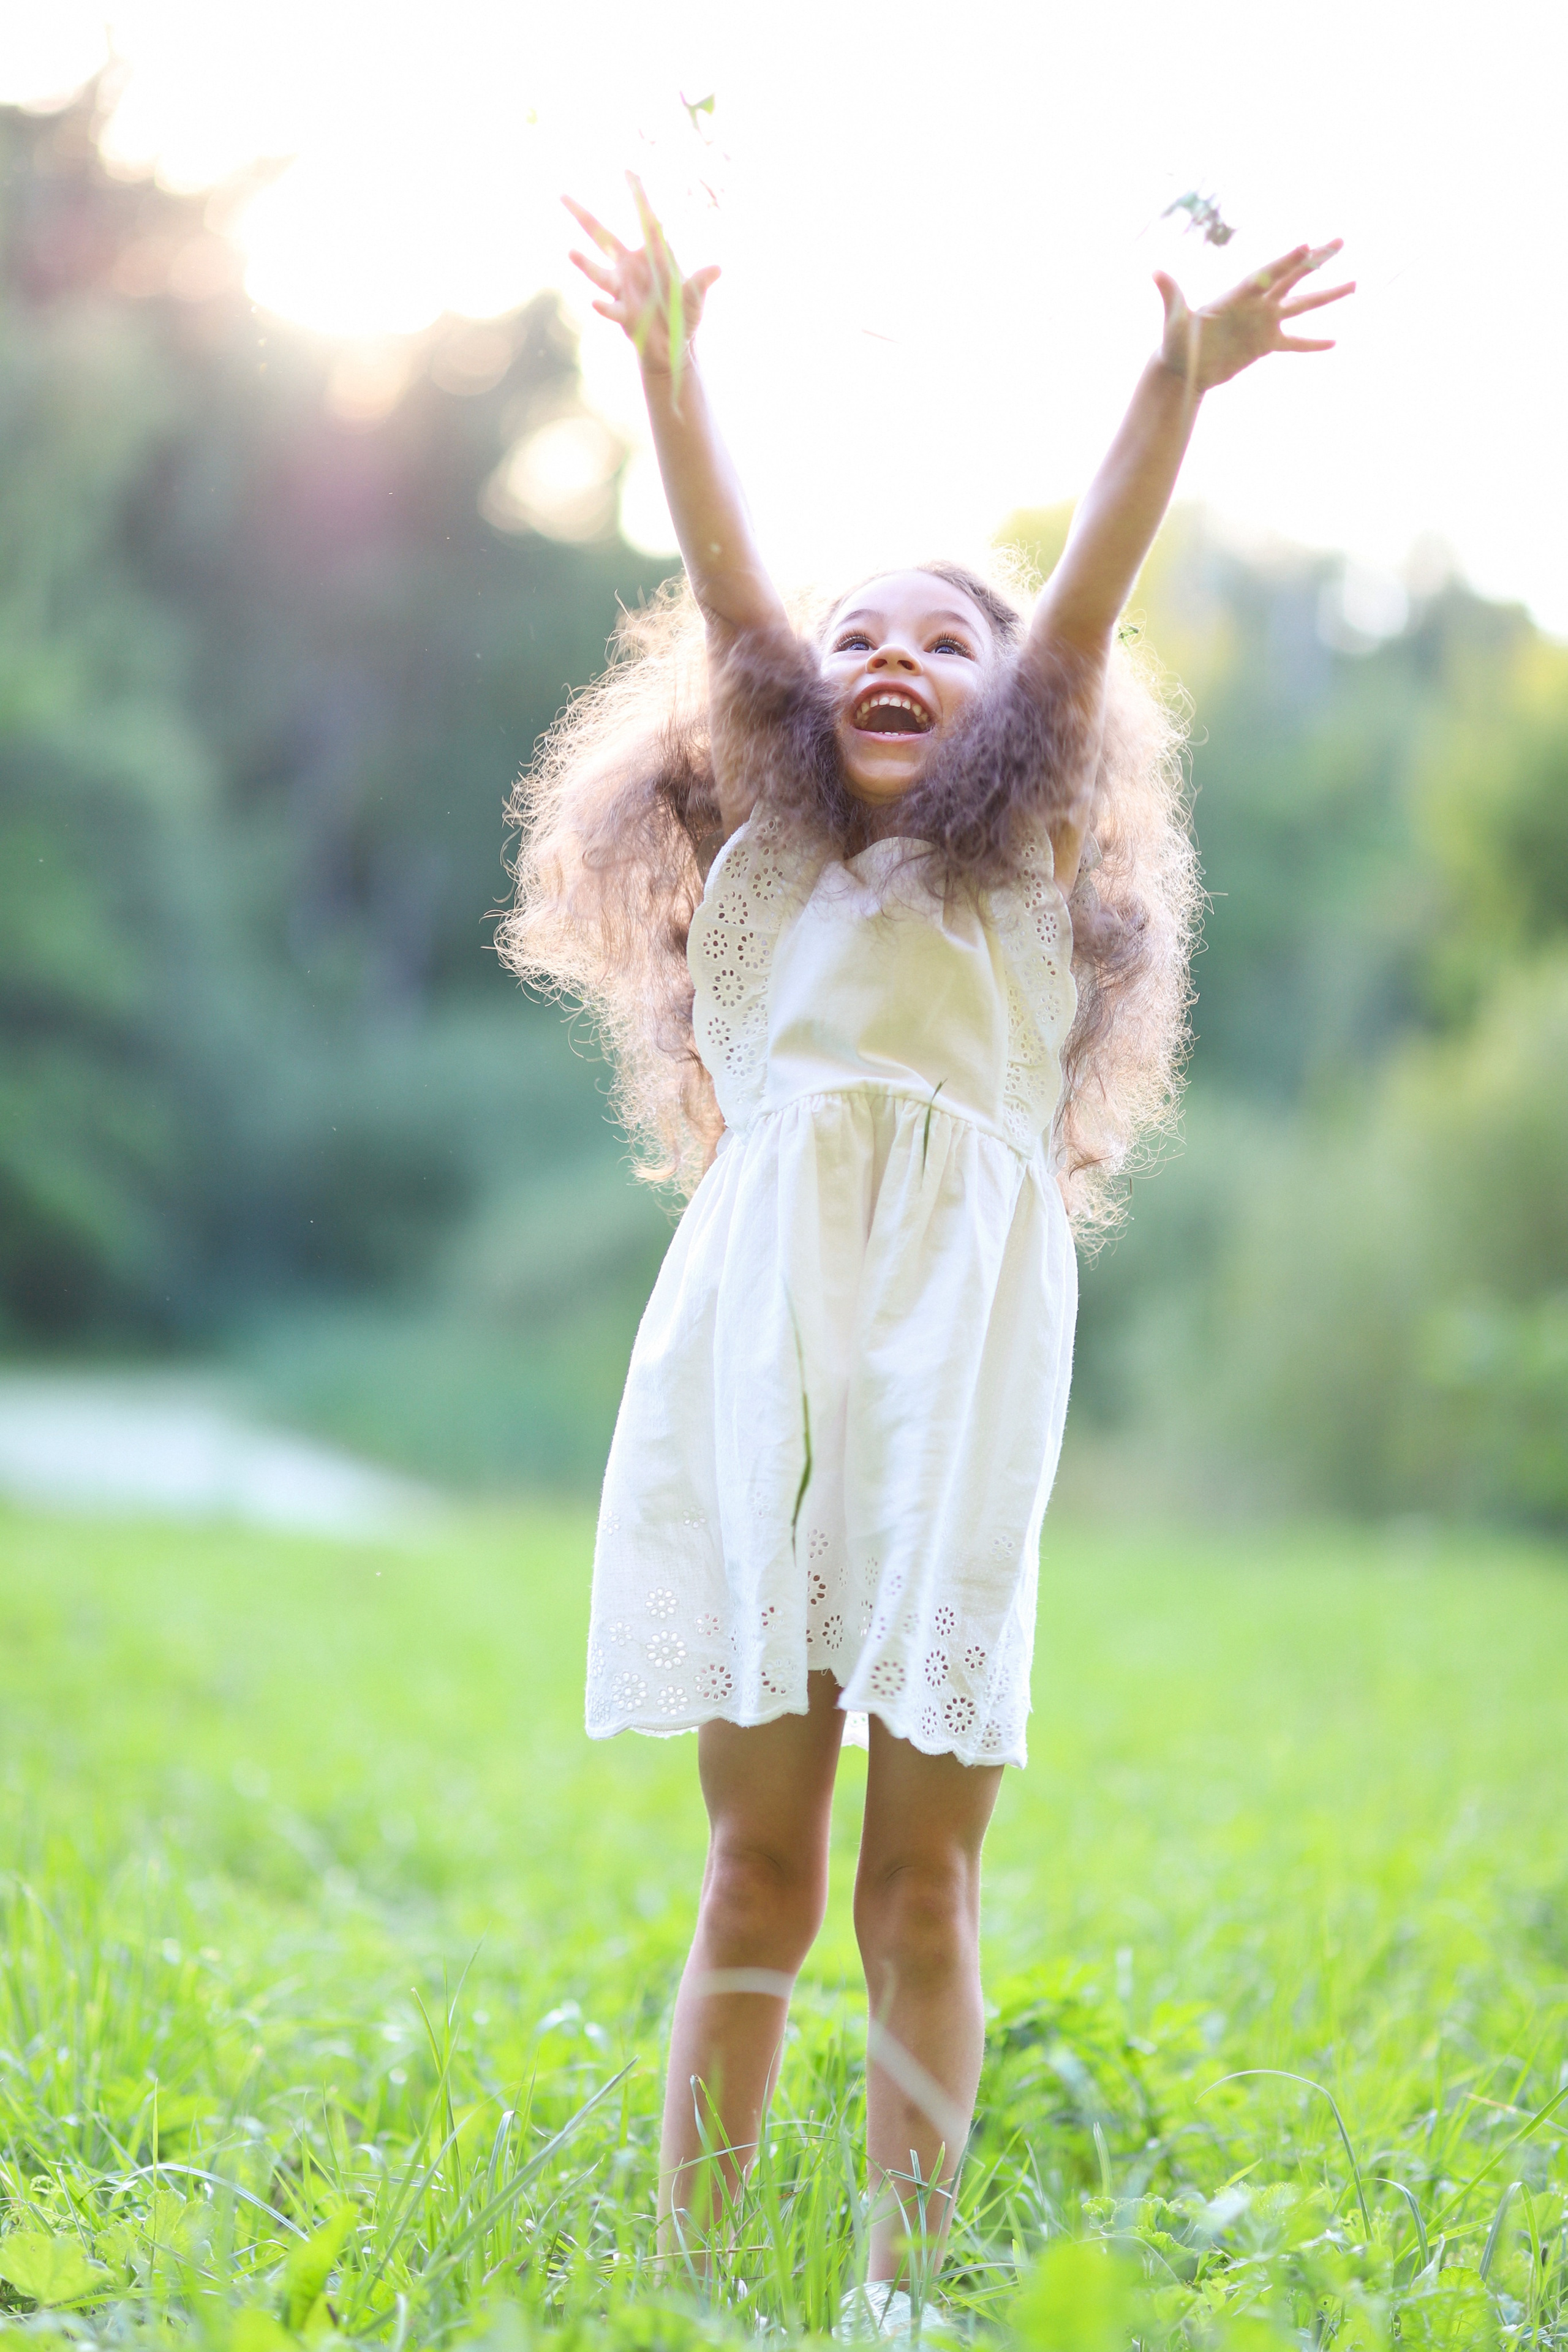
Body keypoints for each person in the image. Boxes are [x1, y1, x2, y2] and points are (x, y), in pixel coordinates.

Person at [502, 176, 1352, 2328]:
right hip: (757, 1391)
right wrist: (670, 378)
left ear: (1017, 726)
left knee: (921, 1875)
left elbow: (1083, 594)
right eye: (861, 633)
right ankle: (698, 2273)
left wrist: (1173, 377)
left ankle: (900, 2279)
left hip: (955, 1402)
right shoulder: (776, 857)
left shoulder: (1016, 866)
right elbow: (727, 590)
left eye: (942, 641)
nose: (895, 653)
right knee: (759, 1868)